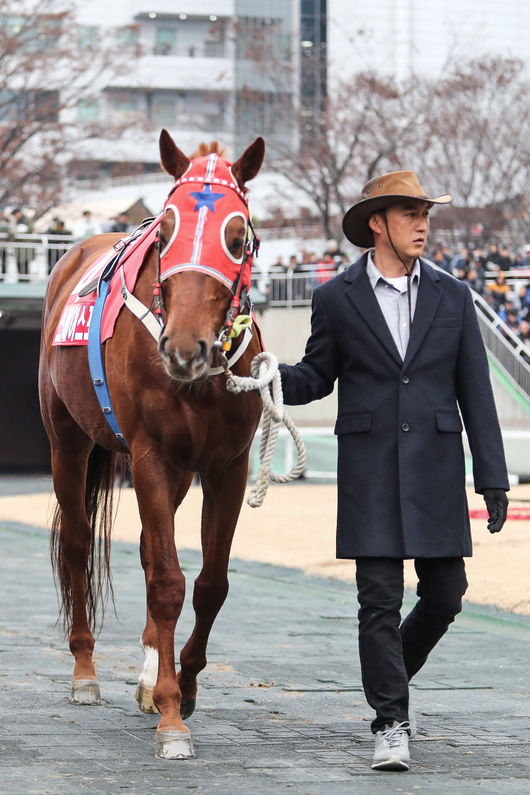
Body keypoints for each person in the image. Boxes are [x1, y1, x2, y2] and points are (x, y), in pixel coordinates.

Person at [278, 170, 509, 772]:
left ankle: (387, 677)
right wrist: (267, 374)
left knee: (446, 596)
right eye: (411, 214)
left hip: (436, 469)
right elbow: (315, 376)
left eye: (425, 214)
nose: (423, 225)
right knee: (377, 601)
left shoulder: (454, 296)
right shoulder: (335, 297)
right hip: (369, 470)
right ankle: (390, 722)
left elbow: (476, 393)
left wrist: (493, 477)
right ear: (377, 224)